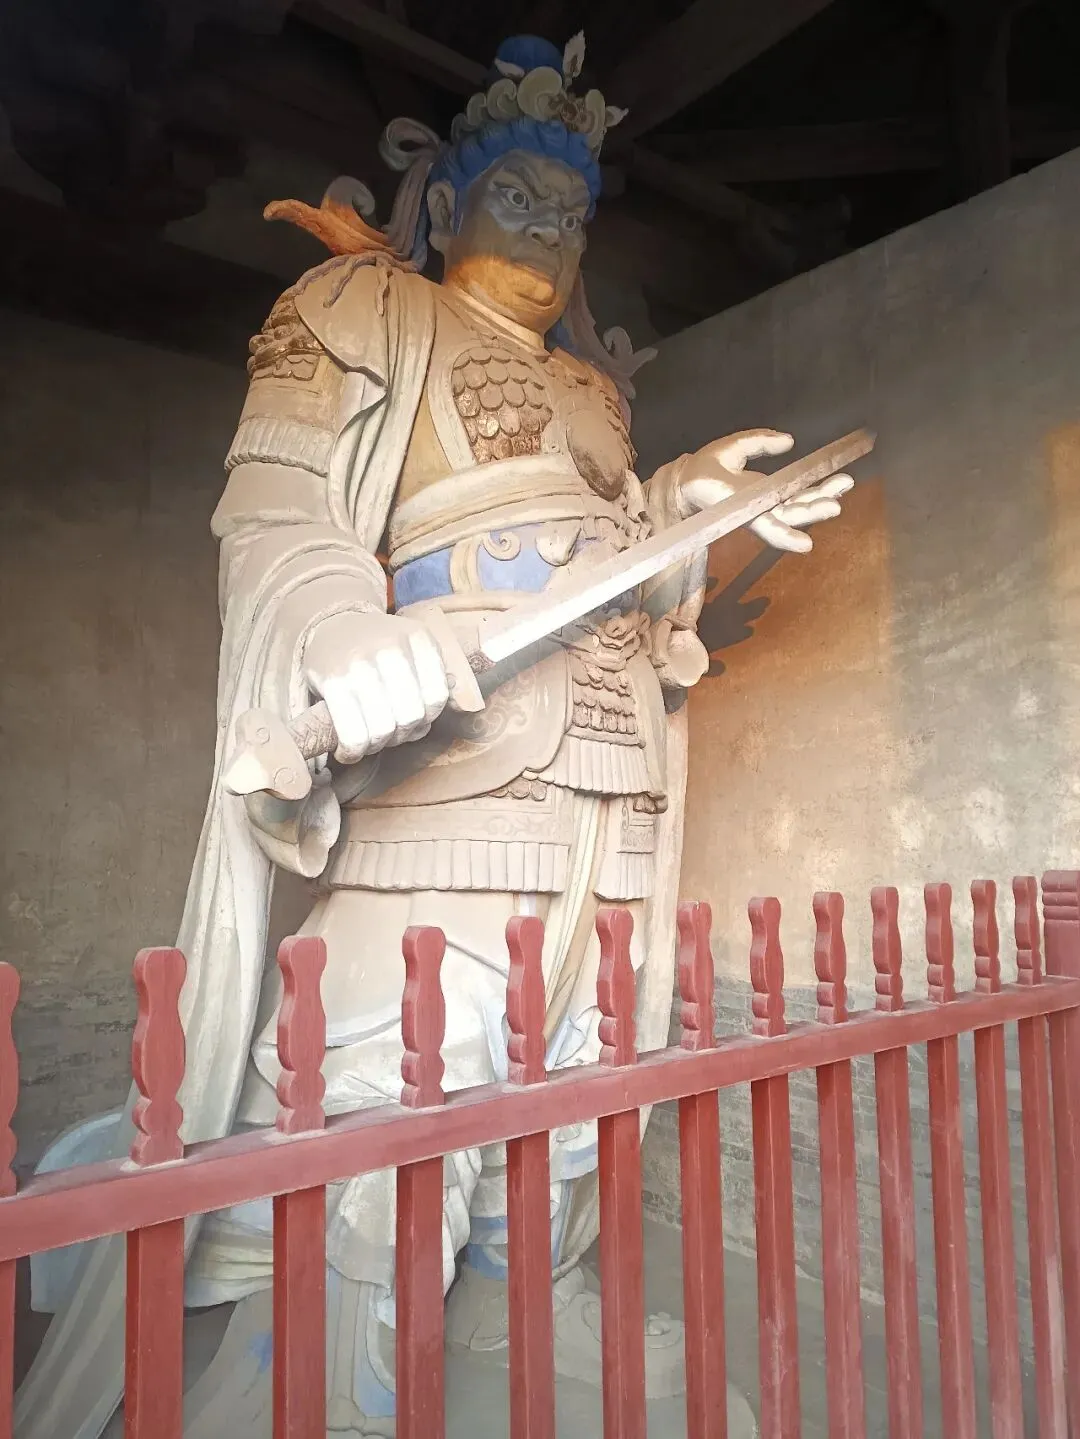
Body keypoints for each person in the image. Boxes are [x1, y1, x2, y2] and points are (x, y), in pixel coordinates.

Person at [17, 33, 853, 1438]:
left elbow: (622, 569)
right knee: (406, 1063)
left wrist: (685, 513)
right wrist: (345, 629)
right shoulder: (361, 308)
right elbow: (278, 508)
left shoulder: (596, 393)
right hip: (449, 765)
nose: (548, 232)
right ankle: (345, 1362)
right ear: (449, 200)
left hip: (611, 774)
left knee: (581, 1060)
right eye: (517, 196)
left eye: (573, 212)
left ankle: (528, 1296)